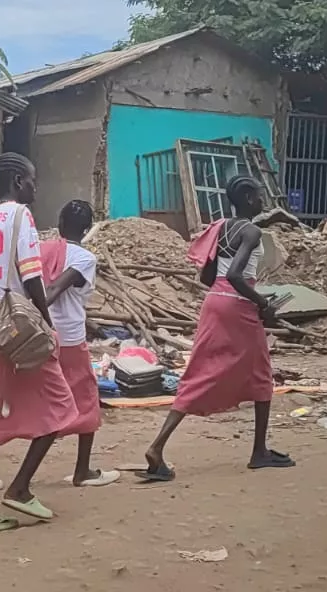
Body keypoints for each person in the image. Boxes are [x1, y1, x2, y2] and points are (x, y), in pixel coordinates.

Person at [140, 176, 293, 481]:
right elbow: (237, 275)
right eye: (259, 196)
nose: (262, 202)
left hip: (214, 303)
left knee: (200, 371)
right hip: (238, 304)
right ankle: (259, 452)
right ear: (248, 198)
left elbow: (207, 277)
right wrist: (262, 303)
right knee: (262, 374)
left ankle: (157, 447)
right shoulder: (251, 231)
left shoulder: (219, 228)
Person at [0, 152, 74, 537]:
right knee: (59, 403)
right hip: (17, 323)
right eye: (32, 180)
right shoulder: (21, 217)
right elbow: (31, 274)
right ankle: (20, 486)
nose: (35, 187)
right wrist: (48, 323)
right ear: (18, 180)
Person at [39, 200, 117, 487]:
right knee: (86, 400)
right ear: (86, 229)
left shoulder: (43, 250)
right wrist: (39, 309)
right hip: (69, 339)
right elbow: (55, 290)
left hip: (41, 337)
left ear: (59, 224)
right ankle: (82, 471)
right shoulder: (84, 258)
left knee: (36, 400)